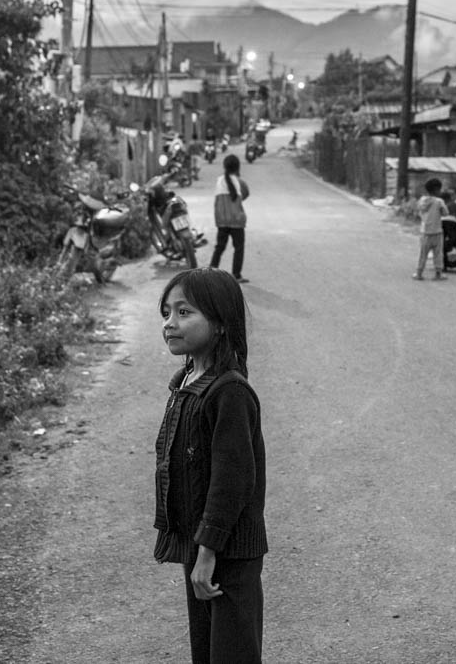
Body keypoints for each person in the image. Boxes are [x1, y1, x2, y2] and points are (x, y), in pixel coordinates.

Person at [154, 268, 267, 663]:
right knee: (206, 653)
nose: (170, 324)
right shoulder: (187, 380)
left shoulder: (229, 391)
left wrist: (207, 554)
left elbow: (232, 481)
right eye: (167, 313)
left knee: (232, 655)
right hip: (202, 546)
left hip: (227, 553)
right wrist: (197, 550)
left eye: (184, 312)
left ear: (220, 323)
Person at [209, 154, 250, 284]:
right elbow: (246, 193)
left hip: (222, 220)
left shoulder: (219, 180)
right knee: (239, 247)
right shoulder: (239, 181)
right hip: (237, 220)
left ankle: (210, 271)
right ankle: (236, 275)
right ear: (238, 167)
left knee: (219, 247)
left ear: (224, 166)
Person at [414, 177, 448, 280]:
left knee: (423, 254)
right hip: (437, 231)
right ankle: (438, 274)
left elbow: (418, 212)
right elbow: (445, 213)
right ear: (437, 189)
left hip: (425, 232)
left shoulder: (421, 201)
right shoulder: (439, 201)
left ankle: (419, 273)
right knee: (438, 254)